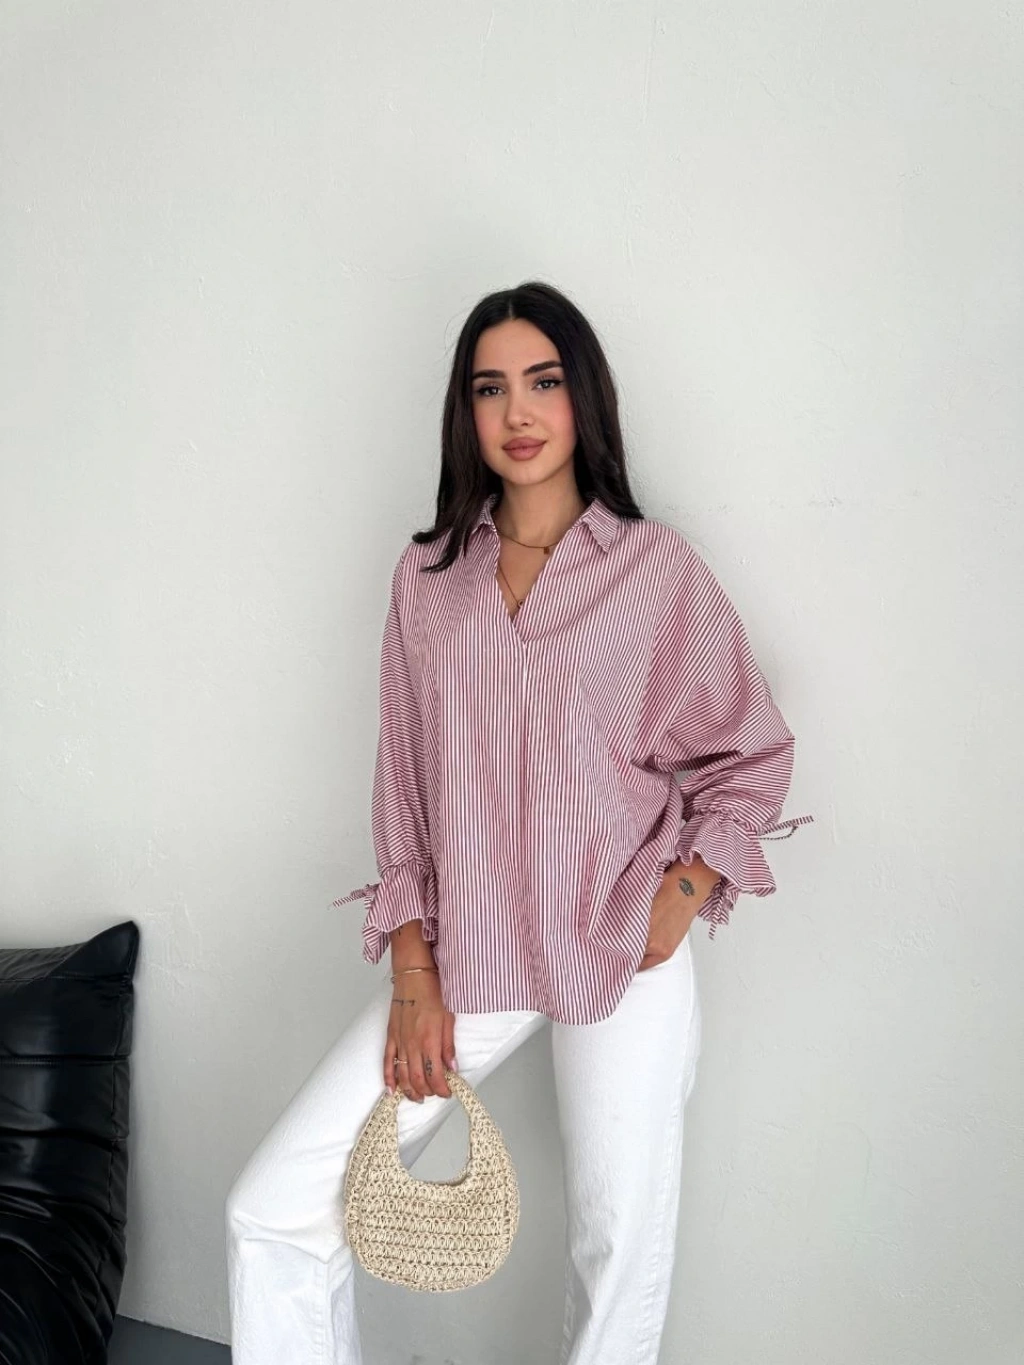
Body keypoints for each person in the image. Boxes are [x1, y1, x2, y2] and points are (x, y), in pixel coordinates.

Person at [225, 280, 812, 1364]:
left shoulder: (653, 571)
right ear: (467, 413)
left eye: (543, 381)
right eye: (490, 388)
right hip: (473, 949)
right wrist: (414, 976)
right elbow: (405, 785)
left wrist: (681, 895)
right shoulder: (429, 578)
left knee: (616, 1243)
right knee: (276, 1208)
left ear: (584, 395)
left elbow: (751, 748)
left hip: (621, 940)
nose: (518, 411)